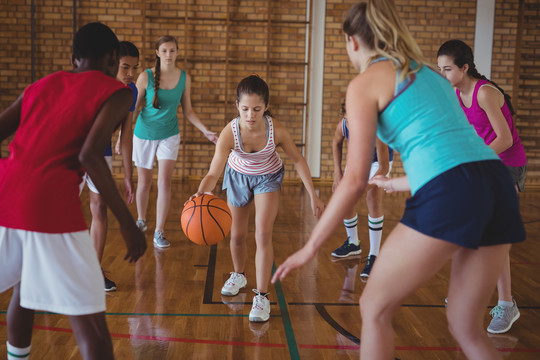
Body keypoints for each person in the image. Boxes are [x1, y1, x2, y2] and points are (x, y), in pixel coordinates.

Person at [272, 1, 525, 359]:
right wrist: (400, 182)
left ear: (352, 41)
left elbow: (356, 179)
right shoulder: (431, 75)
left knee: (374, 308)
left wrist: (311, 246)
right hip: (497, 183)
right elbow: (453, 150)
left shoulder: (363, 84)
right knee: (467, 328)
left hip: (452, 188)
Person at [0, 22, 146, 360]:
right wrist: (127, 223)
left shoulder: (39, 86)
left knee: (25, 287)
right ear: (113, 58)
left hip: (6, 193)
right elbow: (90, 154)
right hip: (49, 204)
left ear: (74, 58)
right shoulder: (117, 91)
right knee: (92, 327)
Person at [188, 75, 324, 323]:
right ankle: (238, 274)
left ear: (266, 107)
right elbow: (213, 172)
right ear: (236, 106)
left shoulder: (277, 130)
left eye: (257, 109)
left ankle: (262, 296)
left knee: (262, 233)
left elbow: (298, 160)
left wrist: (313, 195)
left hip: (267, 178)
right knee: (237, 235)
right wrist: (201, 192)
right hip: (237, 176)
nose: (250, 115)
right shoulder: (230, 133)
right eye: (245, 109)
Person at [437, 39, 526, 334]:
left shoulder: (484, 93)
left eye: (448, 69)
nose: (444, 74)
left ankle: (506, 304)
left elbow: (505, 139)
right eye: (440, 69)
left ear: (464, 67)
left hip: (507, 166)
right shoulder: (457, 94)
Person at [132, 35, 218, 248]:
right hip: (143, 134)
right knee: (144, 182)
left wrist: (205, 131)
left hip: (169, 134)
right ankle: (141, 220)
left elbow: (188, 111)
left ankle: (159, 231)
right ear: (157, 53)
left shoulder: (184, 78)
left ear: (177, 52)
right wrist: (122, 138)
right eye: (165, 51)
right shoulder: (145, 77)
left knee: (164, 182)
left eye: (172, 50)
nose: (169, 55)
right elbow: (133, 109)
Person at [84, 40, 140, 292]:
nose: (130, 74)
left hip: (101, 150)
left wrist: (128, 175)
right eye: (125, 67)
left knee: (99, 207)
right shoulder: (94, 85)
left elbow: (126, 135)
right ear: (112, 64)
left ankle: (94, 269)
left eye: (134, 69)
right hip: (73, 150)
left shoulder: (131, 92)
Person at [330, 101, 392, 279]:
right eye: (348, 120)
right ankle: (353, 243)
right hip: (358, 159)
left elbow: (384, 167)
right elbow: (336, 142)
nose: (351, 124)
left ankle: (374, 255)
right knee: (345, 196)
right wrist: (337, 172)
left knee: (372, 199)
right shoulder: (344, 124)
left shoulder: (376, 130)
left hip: (377, 162)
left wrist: (366, 187)